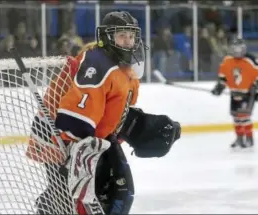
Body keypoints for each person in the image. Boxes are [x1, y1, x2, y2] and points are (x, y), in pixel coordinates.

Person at [26, 11, 181, 214]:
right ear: (108, 37)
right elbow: (75, 118)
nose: (127, 41)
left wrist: (140, 125)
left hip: (91, 138)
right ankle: (50, 205)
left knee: (114, 192)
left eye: (131, 36)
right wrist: (73, 152)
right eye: (121, 36)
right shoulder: (98, 64)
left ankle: (49, 205)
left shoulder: (126, 68)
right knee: (78, 197)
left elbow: (111, 109)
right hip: (61, 137)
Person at [211, 37, 258, 148]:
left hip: (248, 93)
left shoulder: (252, 60)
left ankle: (249, 138)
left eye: (239, 48)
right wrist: (219, 87)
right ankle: (239, 138)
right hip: (234, 93)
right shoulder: (227, 60)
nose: (237, 51)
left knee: (244, 117)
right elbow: (223, 77)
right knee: (236, 117)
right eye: (234, 49)